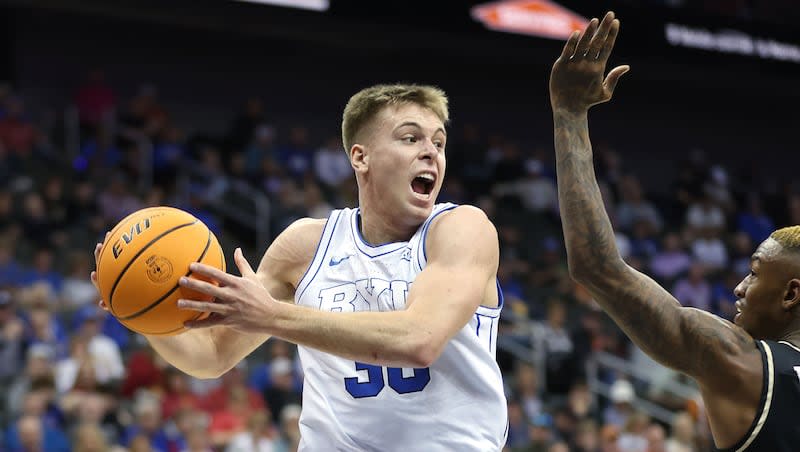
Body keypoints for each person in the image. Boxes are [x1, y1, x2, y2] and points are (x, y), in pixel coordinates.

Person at [91, 84, 507, 450]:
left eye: (438, 143)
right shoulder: (305, 246)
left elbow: (420, 340)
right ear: (360, 157)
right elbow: (213, 355)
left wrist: (272, 316)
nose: (430, 152)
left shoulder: (461, 229)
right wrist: (139, 308)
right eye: (411, 138)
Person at [549, 11, 800, 451]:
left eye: (756, 273)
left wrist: (569, 115)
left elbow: (596, 266)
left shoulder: (742, 362)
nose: (739, 288)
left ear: (791, 294)